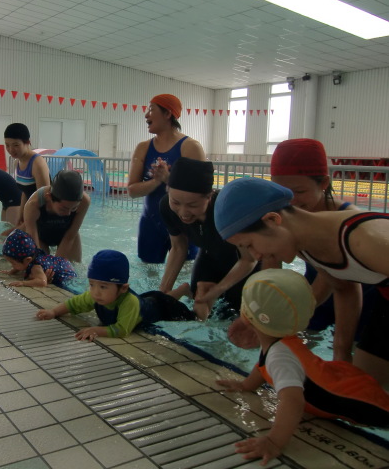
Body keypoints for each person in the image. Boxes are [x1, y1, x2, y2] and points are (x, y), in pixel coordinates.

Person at [214, 177, 389, 386]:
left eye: (250, 244)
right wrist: (341, 354)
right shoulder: (306, 244)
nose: (256, 255)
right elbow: (344, 288)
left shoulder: (365, 240)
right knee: (366, 391)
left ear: (272, 220)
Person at [217, 269, 389, 465]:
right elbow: (262, 365)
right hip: (350, 384)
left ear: (247, 315)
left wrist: (274, 441)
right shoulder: (279, 343)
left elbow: (293, 402)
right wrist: (246, 385)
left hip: (370, 407)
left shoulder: (280, 357)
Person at [268, 138, 377, 335]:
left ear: (324, 183)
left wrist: (293, 312)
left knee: (353, 343)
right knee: (297, 340)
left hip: (365, 295)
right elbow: (271, 262)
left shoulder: (347, 221)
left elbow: (340, 283)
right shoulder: (282, 214)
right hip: (316, 284)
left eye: (299, 191)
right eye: (281, 192)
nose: (290, 200)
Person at [159, 158, 258, 319]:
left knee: (231, 316)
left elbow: (249, 260)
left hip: (242, 262)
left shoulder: (227, 211)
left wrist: (218, 290)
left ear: (209, 196)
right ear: (168, 190)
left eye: (192, 205)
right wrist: (163, 292)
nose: (183, 213)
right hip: (209, 256)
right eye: (176, 202)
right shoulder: (166, 207)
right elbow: (178, 248)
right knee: (198, 313)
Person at [35, 250, 194, 341]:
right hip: (151, 300)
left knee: (196, 317)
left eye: (103, 286)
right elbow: (73, 304)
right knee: (160, 298)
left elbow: (122, 330)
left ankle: (197, 298)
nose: (96, 291)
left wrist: (97, 330)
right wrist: (53, 312)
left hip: (166, 309)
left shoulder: (130, 303)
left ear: (123, 288)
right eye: (92, 284)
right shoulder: (96, 295)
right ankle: (182, 289)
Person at [127, 94, 205, 263]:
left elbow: (201, 192)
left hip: (184, 222)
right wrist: (156, 181)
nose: (146, 115)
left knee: (185, 271)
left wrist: (169, 179)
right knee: (148, 271)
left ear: (168, 114)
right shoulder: (143, 148)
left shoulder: (190, 147)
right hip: (151, 223)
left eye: (151, 110)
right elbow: (132, 191)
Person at [23, 170, 90, 263]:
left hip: (67, 234)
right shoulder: (34, 204)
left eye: (74, 208)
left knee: (73, 267)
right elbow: (32, 239)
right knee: (41, 263)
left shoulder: (84, 202)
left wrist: (57, 264)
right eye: (63, 209)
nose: (68, 213)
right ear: (49, 197)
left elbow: (70, 235)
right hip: (40, 235)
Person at [4, 123, 51, 225]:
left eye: (16, 145)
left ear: (27, 143)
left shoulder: (37, 163)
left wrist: (29, 222)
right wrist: (21, 216)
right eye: (7, 145)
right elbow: (25, 192)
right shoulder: (17, 162)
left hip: (46, 215)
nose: (11, 149)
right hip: (32, 211)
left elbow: (43, 198)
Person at [1, 229, 77, 288]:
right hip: (63, 263)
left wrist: (23, 283)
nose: (12, 265)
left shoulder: (36, 267)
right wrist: (11, 272)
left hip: (66, 275)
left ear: (28, 260)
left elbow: (42, 282)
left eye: (13, 263)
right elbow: (21, 264)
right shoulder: (32, 255)